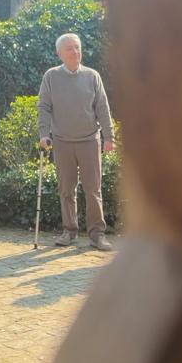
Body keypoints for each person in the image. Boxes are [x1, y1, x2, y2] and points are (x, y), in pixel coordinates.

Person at [37, 33, 115, 251]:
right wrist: (44, 134)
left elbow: (102, 107)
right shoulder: (51, 77)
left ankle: (97, 235)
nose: (75, 51)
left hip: (90, 140)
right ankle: (69, 232)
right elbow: (43, 106)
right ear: (59, 53)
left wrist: (109, 137)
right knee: (66, 190)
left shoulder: (92, 76)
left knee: (93, 190)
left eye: (77, 47)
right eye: (69, 48)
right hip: (62, 141)